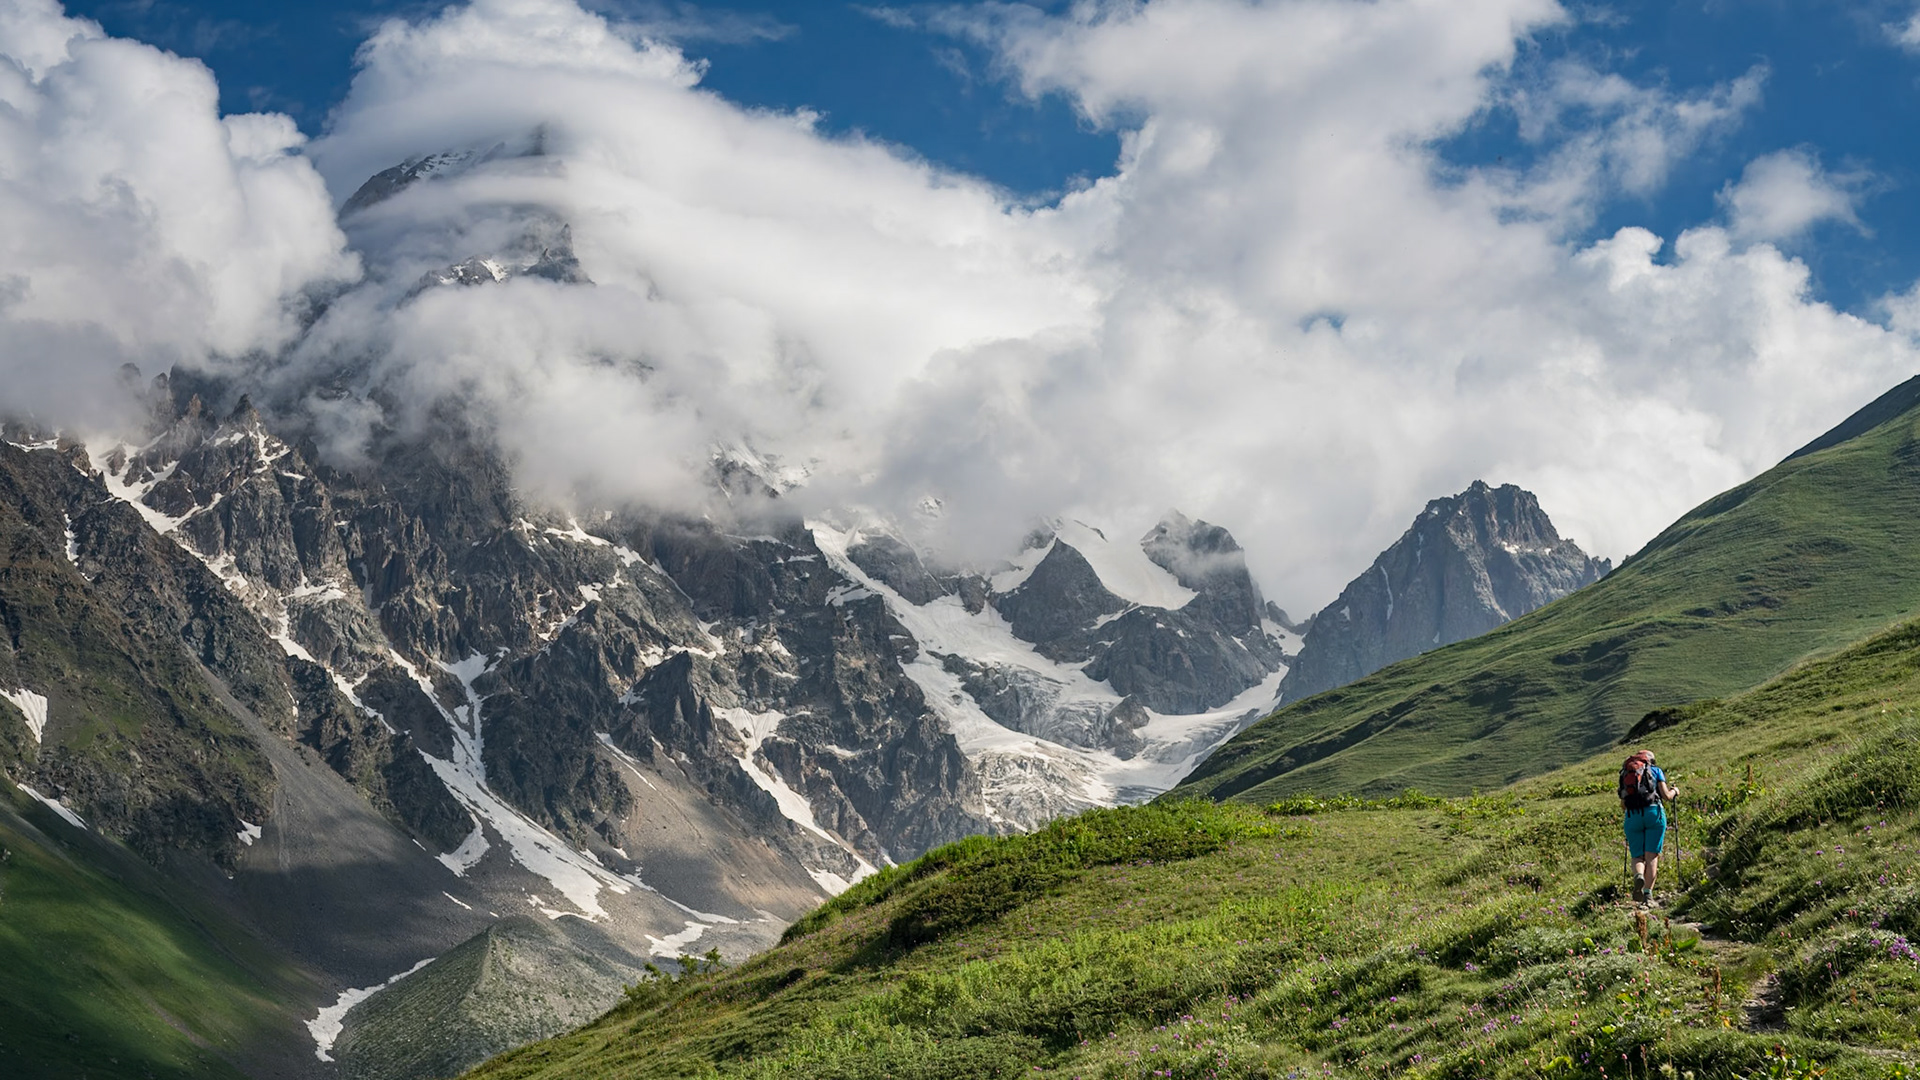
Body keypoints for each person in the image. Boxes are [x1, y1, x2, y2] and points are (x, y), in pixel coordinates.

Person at [1620, 749, 1679, 906]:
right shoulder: (1656, 771)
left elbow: (1623, 805)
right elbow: (1666, 796)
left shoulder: (1626, 774)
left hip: (1633, 816)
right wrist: (1675, 791)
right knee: (1651, 856)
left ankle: (1638, 875)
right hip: (1654, 813)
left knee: (1637, 856)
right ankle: (1648, 895)